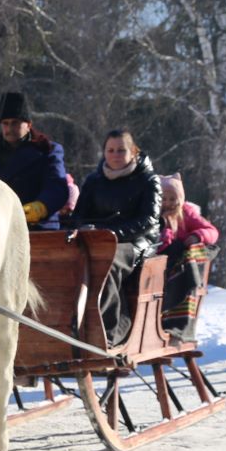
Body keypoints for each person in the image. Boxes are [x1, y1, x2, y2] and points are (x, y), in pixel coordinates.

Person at [67, 129, 162, 345]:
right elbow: (78, 216)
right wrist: (83, 228)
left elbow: (149, 220)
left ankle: (110, 332)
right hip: (97, 239)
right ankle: (66, 327)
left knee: (106, 262)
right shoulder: (93, 181)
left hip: (137, 242)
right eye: (110, 150)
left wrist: (111, 235)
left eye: (121, 150)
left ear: (134, 152)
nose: (115, 155)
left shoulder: (148, 180)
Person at [0, 91, 70, 230]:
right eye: (5, 123)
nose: (9, 128)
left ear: (29, 125)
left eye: (15, 123)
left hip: (38, 228)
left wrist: (40, 207)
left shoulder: (47, 150)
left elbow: (57, 187)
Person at [156, 173, 219, 342]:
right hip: (158, 260)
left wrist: (198, 236)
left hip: (175, 261)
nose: (168, 203)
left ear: (180, 200)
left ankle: (176, 322)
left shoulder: (186, 214)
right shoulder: (153, 215)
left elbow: (211, 231)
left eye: (172, 199)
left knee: (178, 249)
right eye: (164, 199)